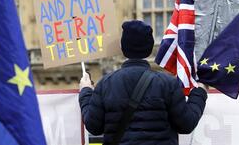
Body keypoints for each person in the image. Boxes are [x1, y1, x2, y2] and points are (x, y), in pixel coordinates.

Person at [79, 20, 208, 145]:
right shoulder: (167, 84)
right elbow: (186, 124)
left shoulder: (105, 84)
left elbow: (93, 127)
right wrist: (199, 93)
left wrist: (85, 91)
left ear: (122, 47)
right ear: (150, 48)